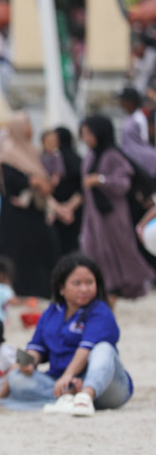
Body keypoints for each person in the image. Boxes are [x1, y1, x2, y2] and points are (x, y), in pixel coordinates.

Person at [6, 253, 134, 416]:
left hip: (106, 386)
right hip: (62, 382)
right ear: (62, 288)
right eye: (77, 283)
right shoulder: (51, 312)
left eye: (89, 282)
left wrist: (68, 376)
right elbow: (36, 347)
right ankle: (68, 396)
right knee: (15, 377)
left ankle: (84, 397)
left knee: (104, 348)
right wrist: (25, 364)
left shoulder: (101, 311)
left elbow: (85, 349)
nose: (84, 289)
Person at [78, 115, 154, 298]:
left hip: (112, 215)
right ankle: (102, 286)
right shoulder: (90, 156)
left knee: (119, 252)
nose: (86, 138)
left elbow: (123, 184)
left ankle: (118, 288)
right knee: (92, 250)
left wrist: (101, 180)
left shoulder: (113, 155)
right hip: (93, 214)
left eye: (89, 133)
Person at [0, 113, 60, 298]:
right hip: (16, 216)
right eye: (27, 124)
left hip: (35, 211)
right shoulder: (8, 155)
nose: (31, 128)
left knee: (44, 250)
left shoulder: (32, 151)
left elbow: (46, 184)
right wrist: (39, 183)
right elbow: (32, 183)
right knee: (22, 254)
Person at [49, 126, 84, 256]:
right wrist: (69, 207)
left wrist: (61, 209)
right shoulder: (79, 160)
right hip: (74, 211)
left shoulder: (51, 160)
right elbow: (82, 189)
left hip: (55, 211)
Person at [118, 86, 156, 179]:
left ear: (131, 102)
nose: (121, 103)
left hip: (140, 158)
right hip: (129, 155)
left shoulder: (139, 117)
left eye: (123, 100)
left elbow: (144, 138)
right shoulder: (128, 117)